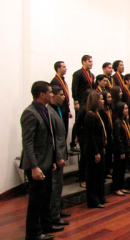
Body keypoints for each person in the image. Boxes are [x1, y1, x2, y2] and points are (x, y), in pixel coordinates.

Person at [20, 81, 65, 240]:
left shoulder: (45, 110)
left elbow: (49, 139)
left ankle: (46, 225)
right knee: (36, 201)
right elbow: (28, 142)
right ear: (41, 94)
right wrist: (34, 166)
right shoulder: (30, 113)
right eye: (50, 92)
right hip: (36, 165)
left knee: (46, 197)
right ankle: (33, 233)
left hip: (46, 162)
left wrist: (52, 159)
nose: (52, 94)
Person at [48, 85, 70, 226]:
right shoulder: (49, 112)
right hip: (55, 156)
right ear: (53, 96)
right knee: (55, 186)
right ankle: (54, 215)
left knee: (59, 185)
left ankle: (57, 209)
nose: (64, 97)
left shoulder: (58, 109)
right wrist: (58, 157)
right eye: (61, 95)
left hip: (60, 153)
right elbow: (53, 138)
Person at [84, 91, 108, 208]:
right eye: (101, 99)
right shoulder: (90, 115)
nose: (103, 101)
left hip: (99, 147)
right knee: (92, 176)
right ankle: (93, 200)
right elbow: (90, 136)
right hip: (93, 150)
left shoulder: (97, 114)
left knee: (100, 174)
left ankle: (100, 196)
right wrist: (96, 152)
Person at [71, 55, 94, 151]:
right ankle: (74, 142)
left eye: (92, 61)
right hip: (81, 101)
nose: (91, 63)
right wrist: (76, 101)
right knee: (78, 121)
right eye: (89, 61)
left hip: (89, 101)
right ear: (83, 62)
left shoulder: (92, 75)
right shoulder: (78, 74)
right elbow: (74, 88)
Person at [112, 102, 130, 197]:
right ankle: (116, 188)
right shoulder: (117, 122)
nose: (127, 110)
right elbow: (118, 138)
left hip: (126, 148)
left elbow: (129, 135)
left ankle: (121, 186)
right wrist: (122, 151)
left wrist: (129, 149)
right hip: (120, 150)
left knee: (123, 169)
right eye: (125, 108)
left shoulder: (125, 121)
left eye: (127, 108)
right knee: (118, 169)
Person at [75, 89, 93, 188]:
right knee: (84, 158)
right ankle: (82, 178)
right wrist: (77, 136)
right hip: (83, 136)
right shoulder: (83, 109)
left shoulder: (91, 108)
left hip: (89, 135)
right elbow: (77, 124)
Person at [51, 61, 72, 138]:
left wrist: (68, 109)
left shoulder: (63, 80)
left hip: (64, 107)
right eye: (63, 67)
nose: (66, 68)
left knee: (65, 129)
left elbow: (65, 96)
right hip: (59, 108)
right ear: (58, 69)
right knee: (61, 130)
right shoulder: (55, 81)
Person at [101, 91, 113, 179]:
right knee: (105, 154)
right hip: (104, 133)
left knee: (109, 153)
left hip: (110, 132)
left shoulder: (110, 108)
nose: (110, 99)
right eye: (108, 97)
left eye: (110, 97)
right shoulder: (102, 110)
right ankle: (104, 172)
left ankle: (108, 170)